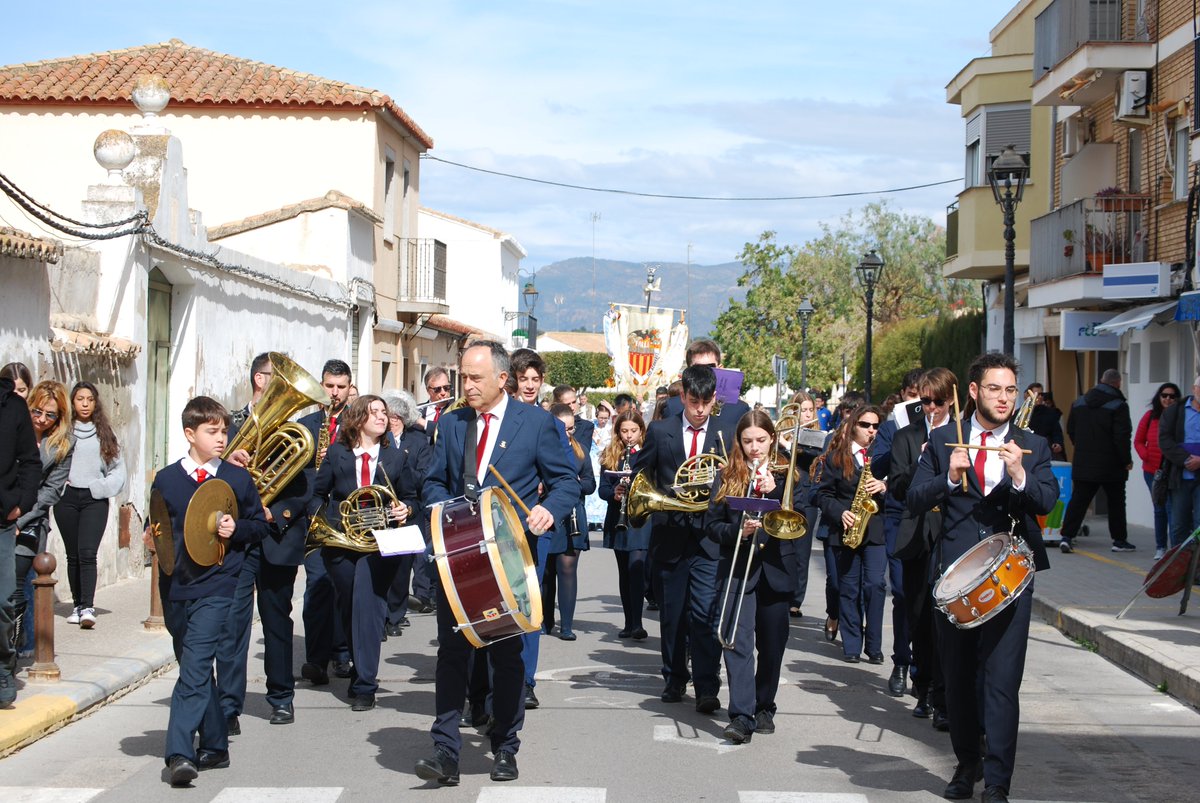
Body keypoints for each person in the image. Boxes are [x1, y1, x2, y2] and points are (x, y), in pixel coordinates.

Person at [416, 340, 580, 785]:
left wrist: (551, 510)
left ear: (501, 379)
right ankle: (445, 749)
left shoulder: (537, 423)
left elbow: (567, 481)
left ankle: (506, 745)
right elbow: (432, 484)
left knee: (507, 656)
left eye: (474, 378)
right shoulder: (452, 425)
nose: (464, 386)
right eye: (462, 377)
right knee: (453, 653)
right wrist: (445, 509)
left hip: (510, 556)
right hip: (460, 557)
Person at [907, 352, 1056, 803]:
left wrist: (1018, 476)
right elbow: (913, 498)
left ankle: (998, 782)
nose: (1004, 397)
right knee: (957, 679)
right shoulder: (942, 442)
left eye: (1011, 389)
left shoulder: (1034, 444)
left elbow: (1046, 500)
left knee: (1001, 681)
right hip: (955, 582)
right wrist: (948, 480)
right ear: (973, 392)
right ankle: (967, 762)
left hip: (1011, 579)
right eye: (995, 388)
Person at [147, 395, 268, 786]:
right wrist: (150, 540)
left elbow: (258, 525)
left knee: (196, 665)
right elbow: (160, 530)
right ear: (190, 433)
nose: (222, 438)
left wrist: (238, 530)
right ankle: (216, 744)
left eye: (224, 431)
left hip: (220, 583)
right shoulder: (165, 479)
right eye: (212, 432)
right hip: (176, 586)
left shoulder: (235, 478)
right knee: (192, 665)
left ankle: (180, 753)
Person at [216, 353, 312, 731]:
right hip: (238, 538)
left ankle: (281, 697)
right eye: (274, 379)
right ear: (260, 379)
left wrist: (278, 512)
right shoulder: (229, 424)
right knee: (233, 624)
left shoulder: (296, 428)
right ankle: (228, 706)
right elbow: (209, 478)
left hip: (275, 536)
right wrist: (226, 459)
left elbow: (306, 487)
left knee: (276, 621)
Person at [310, 395, 418, 711]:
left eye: (384, 412)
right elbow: (318, 494)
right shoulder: (337, 453)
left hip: (380, 545)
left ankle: (365, 685)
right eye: (374, 412)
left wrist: (405, 510)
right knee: (349, 606)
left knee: (368, 608)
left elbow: (412, 497)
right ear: (357, 419)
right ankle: (358, 664)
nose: (382, 417)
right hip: (341, 542)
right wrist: (321, 525)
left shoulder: (395, 457)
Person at [634, 364, 727, 713]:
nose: (700, 409)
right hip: (671, 532)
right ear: (683, 396)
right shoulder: (660, 430)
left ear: (714, 399)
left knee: (704, 613)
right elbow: (643, 473)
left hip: (709, 536)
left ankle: (707, 685)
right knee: (672, 614)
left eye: (705, 401)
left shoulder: (725, 432)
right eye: (693, 401)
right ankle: (674, 677)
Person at [707, 409, 799, 744]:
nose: (755, 448)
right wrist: (739, 532)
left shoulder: (789, 474)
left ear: (772, 439)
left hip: (775, 570)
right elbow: (712, 525)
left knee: (772, 647)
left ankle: (764, 706)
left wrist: (776, 495)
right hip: (737, 567)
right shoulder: (726, 475)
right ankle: (741, 716)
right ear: (739, 442)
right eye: (748, 441)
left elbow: (799, 524)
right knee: (738, 643)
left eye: (761, 440)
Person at [885, 368, 955, 729]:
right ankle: (923, 685)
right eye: (924, 401)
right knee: (919, 615)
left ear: (951, 400)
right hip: (917, 537)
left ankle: (944, 697)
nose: (930, 408)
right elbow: (897, 487)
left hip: (951, 536)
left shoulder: (963, 437)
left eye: (937, 401)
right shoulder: (907, 438)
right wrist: (923, 462)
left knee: (947, 618)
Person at [296, 359, 354, 685]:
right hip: (314, 515)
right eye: (329, 386)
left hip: (345, 518)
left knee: (342, 587)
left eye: (341, 387)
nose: (334, 393)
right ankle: (316, 660)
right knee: (317, 587)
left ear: (349, 387)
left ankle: (342, 651)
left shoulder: (357, 424)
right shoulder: (305, 424)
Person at [816, 405, 888, 664]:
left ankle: (875, 645)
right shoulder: (836, 457)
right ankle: (852, 645)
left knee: (875, 585)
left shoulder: (883, 456)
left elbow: (902, 484)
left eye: (875, 426)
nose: (871, 430)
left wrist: (884, 485)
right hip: (845, 530)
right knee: (848, 587)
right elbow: (823, 495)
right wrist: (840, 513)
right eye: (865, 425)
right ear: (853, 426)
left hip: (875, 529)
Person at [868, 368, 924, 696]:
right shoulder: (891, 428)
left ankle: (925, 669)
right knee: (902, 591)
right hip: (898, 515)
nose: (918, 401)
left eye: (926, 396)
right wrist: (904, 441)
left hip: (931, 516)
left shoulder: (946, 428)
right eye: (913, 394)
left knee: (929, 595)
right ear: (903, 395)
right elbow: (878, 466)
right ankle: (902, 660)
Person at [54, 381, 126, 628]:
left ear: (95, 403)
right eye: (79, 399)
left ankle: (88, 607)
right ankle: (76, 604)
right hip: (66, 499)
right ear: (72, 402)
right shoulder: (62, 431)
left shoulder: (104, 433)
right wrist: (59, 488)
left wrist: (101, 487)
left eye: (89, 399)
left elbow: (118, 470)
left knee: (87, 553)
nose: (85, 404)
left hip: (94, 500)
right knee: (72, 555)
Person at [10, 382, 72, 658]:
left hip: (31, 521)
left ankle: (23, 644)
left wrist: (20, 520)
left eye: (51, 415)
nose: (42, 419)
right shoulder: (12, 430)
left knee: (22, 584)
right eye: (37, 411)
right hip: (5, 512)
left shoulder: (62, 445)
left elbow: (50, 492)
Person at [1059, 369, 1134, 553]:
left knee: (1079, 500)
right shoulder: (1119, 405)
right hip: (1112, 464)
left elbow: (1071, 429)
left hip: (1084, 461)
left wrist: (1082, 447)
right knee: (1116, 502)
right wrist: (1126, 460)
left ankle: (1067, 536)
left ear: (1101, 380)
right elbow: (1121, 437)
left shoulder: (1079, 402)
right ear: (1117, 383)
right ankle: (1119, 541)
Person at [0, 369, 39, 707]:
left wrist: (20, 504)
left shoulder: (12, 406)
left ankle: (2, 663)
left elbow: (30, 461)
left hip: (1, 520)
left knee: (3, 600)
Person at [541, 403, 595, 641]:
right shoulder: (542, 450)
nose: (568, 434)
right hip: (548, 513)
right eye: (563, 429)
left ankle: (567, 625)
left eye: (571, 429)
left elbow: (590, 484)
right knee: (547, 570)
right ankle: (545, 621)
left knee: (567, 569)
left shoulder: (581, 450)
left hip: (574, 516)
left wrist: (574, 482)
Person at [383, 390, 435, 631]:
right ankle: (382, 616)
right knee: (382, 566)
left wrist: (402, 465)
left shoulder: (417, 442)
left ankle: (395, 615)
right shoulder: (380, 439)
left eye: (395, 417)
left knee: (403, 569)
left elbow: (425, 477)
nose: (390, 422)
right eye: (388, 416)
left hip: (409, 510)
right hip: (383, 512)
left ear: (403, 419)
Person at [599, 409, 650, 640]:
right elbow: (603, 490)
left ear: (641, 431)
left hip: (641, 519)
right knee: (624, 572)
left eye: (633, 431)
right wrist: (615, 493)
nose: (629, 436)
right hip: (619, 518)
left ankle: (638, 623)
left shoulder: (649, 454)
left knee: (636, 567)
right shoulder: (611, 455)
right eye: (624, 431)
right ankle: (629, 622)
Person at [663, 339, 750, 449]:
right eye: (697, 368)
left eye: (710, 367)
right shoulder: (672, 406)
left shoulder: (738, 410)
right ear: (688, 370)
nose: (705, 372)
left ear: (720, 368)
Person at [1136, 383, 1179, 560]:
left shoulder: (1179, 417)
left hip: (1172, 471)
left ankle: (1174, 548)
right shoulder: (1150, 416)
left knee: (1172, 509)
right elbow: (1138, 440)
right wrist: (1146, 456)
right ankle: (1161, 547)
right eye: (1164, 395)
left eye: (1171, 396)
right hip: (1152, 471)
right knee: (1160, 509)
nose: (1167, 399)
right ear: (1159, 397)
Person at [1158, 376, 1200, 549]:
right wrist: (1186, 459)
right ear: (1194, 388)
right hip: (1180, 476)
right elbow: (1165, 440)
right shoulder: (1175, 411)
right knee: (1178, 524)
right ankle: (1179, 564)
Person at [551, 385, 594, 458]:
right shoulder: (548, 424)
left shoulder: (586, 426)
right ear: (557, 404)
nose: (572, 407)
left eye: (574, 402)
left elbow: (583, 455)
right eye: (567, 404)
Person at [1025, 383, 1065, 459]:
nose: (1040, 397)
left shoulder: (1050, 413)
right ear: (1028, 395)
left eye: (1041, 394)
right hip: (1027, 451)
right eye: (1037, 394)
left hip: (1045, 451)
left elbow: (1057, 431)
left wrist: (1058, 443)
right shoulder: (1021, 414)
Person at [420, 366, 455, 431]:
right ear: (428, 390)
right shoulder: (418, 411)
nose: (443, 392)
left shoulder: (457, 410)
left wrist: (423, 422)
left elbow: (446, 430)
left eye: (446, 387)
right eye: (437, 389)